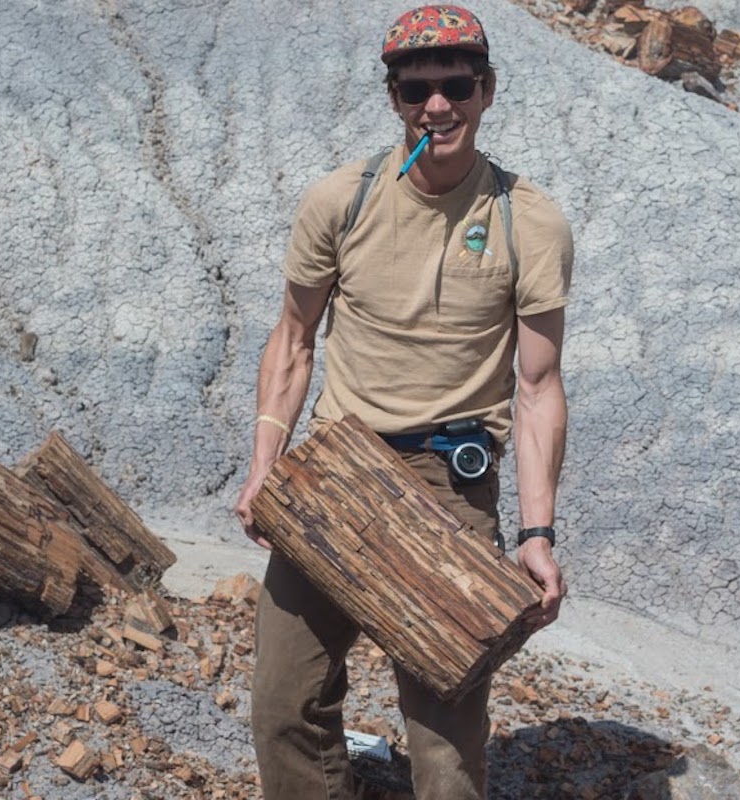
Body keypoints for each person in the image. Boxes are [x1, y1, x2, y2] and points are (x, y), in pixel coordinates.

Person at [233, 5, 573, 798]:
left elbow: (537, 386)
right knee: (283, 704)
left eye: (456, 85)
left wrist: (536, 532)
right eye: (416, 89)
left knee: (444, 745)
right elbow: (292, 339)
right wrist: (263, 470)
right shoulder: (340, 201)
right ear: (393, 98)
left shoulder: (530, 222)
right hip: (337, 471)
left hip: (449, 483)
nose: (437, 106)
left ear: (487, 91)